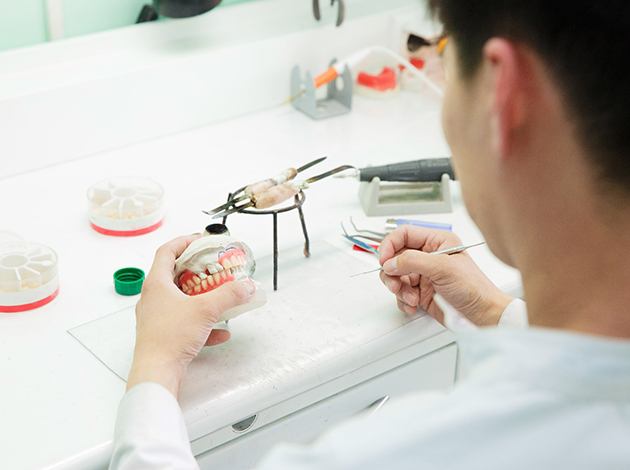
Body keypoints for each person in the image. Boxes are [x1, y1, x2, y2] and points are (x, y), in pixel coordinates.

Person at [110, 0, 630, 468]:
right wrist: (494, 313)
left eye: (446, 60)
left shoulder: (405, 453)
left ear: (504, 96)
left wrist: (154, 366)